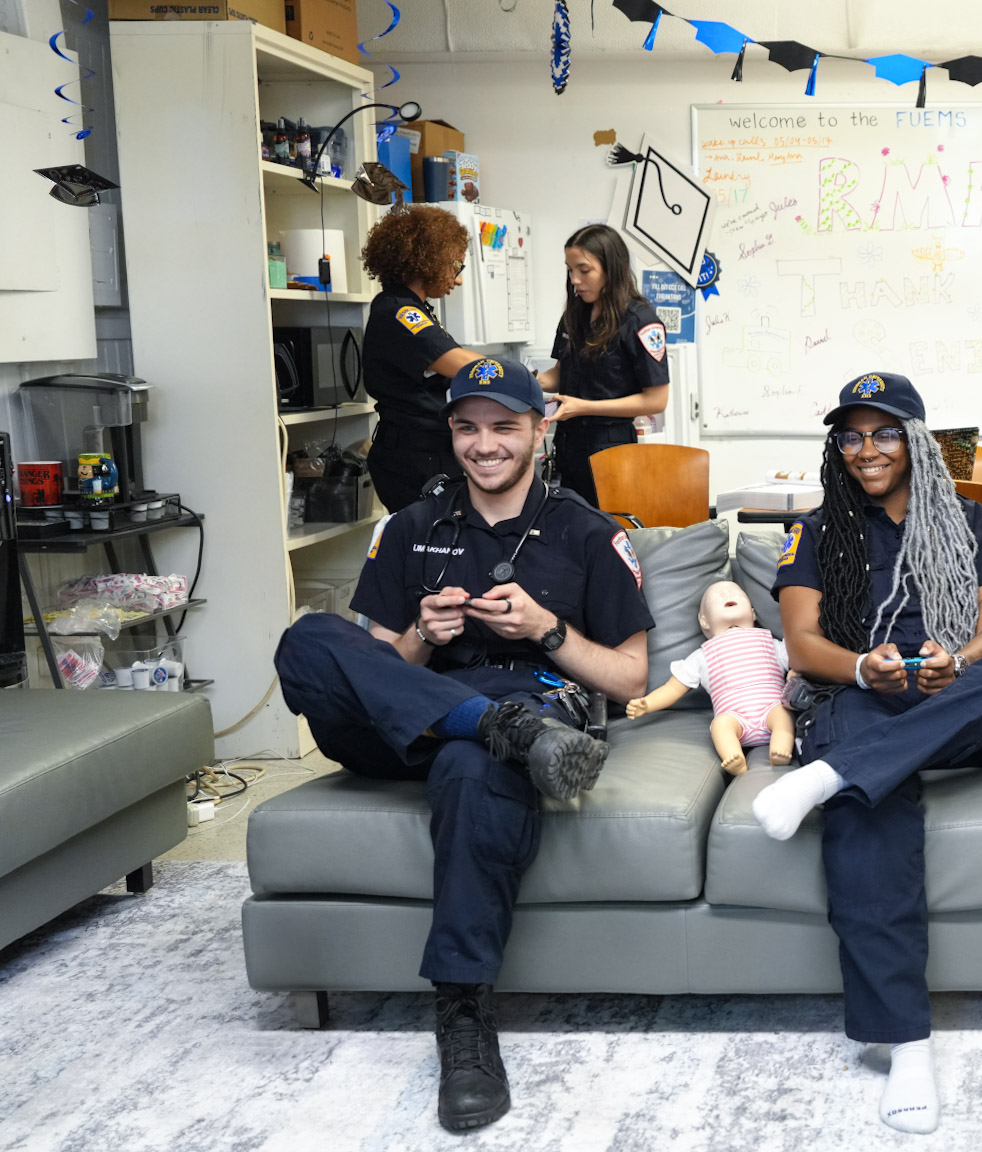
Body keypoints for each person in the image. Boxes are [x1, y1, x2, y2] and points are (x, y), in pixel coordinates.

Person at [273, 356, 653, 1133]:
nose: (484, 445)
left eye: (504, 427)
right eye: (468, 428)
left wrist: (545, 630)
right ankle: (490, 727)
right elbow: (374, 664)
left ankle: (464, 1017)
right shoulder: (410, 526)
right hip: (422, 717)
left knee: (467, 763)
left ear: (539, 432)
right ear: (451, 434)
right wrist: (422, 632)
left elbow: (627, 678)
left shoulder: (588, 531)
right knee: (307, 641)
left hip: (528, 703)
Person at [751, 371, 982, 1136]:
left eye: (884, 432)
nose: (866, 450)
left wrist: (958, 660)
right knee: (868, 808)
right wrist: (862, 666)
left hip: (963, 695)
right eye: (850, 436)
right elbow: (803, 643)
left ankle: (830, 773)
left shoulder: (970, 519)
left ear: (917, 440)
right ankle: (907, 1043)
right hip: (866, 691)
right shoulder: (819, 531)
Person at [360, 205, 490, 511]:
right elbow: (458, 363)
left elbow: (457, 356)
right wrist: (511, 374)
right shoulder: (400, 312)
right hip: (413, 456)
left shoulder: (417, 310)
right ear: (428, 262)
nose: (457, 280)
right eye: (455, 266)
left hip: (431, 450)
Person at [536, 225, 671, 507]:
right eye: (570, 270)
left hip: (611, 447)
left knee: (606, 532)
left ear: (611, 267)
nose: (574, 279)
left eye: (584, 271)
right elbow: (561, 375)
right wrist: (525, 382)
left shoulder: (641, 321)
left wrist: (585, 407)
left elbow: (656, 400)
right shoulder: (574, 315)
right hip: (569, 446)